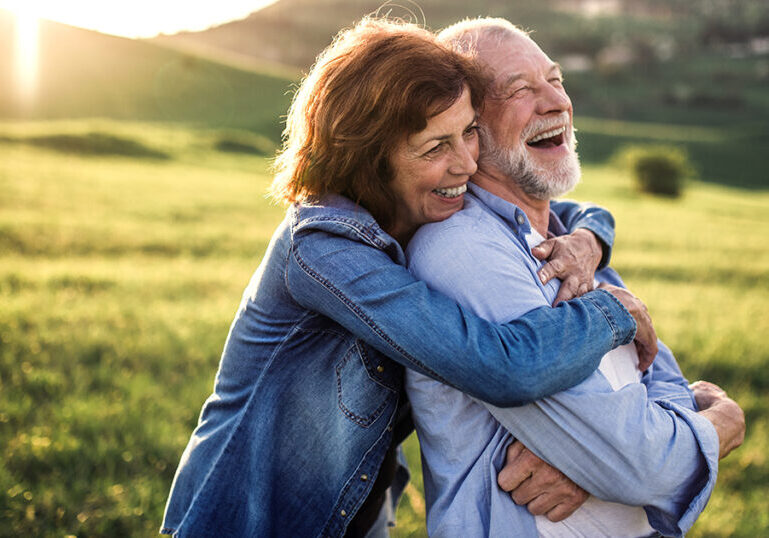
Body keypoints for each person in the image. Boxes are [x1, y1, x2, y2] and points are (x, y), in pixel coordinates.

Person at [159, 17, 658, 538]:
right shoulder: (323, 249)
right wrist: (614, 310)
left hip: (361, 517)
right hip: (249, 522)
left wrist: (588, 241)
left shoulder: (419, 210)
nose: (466, 162)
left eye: (468, 132)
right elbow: (500, 368)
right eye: (435, 148)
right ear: (371, 159)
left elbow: (573, 211)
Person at [405, 17, 745, 537]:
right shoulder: (464, 251)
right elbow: (643, 465)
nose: (556, 102)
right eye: (520, 89)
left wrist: (598, 464)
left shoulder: (573, 245)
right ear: (467, 128)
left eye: (556, 80)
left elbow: (660, 383)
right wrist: (720, 424)